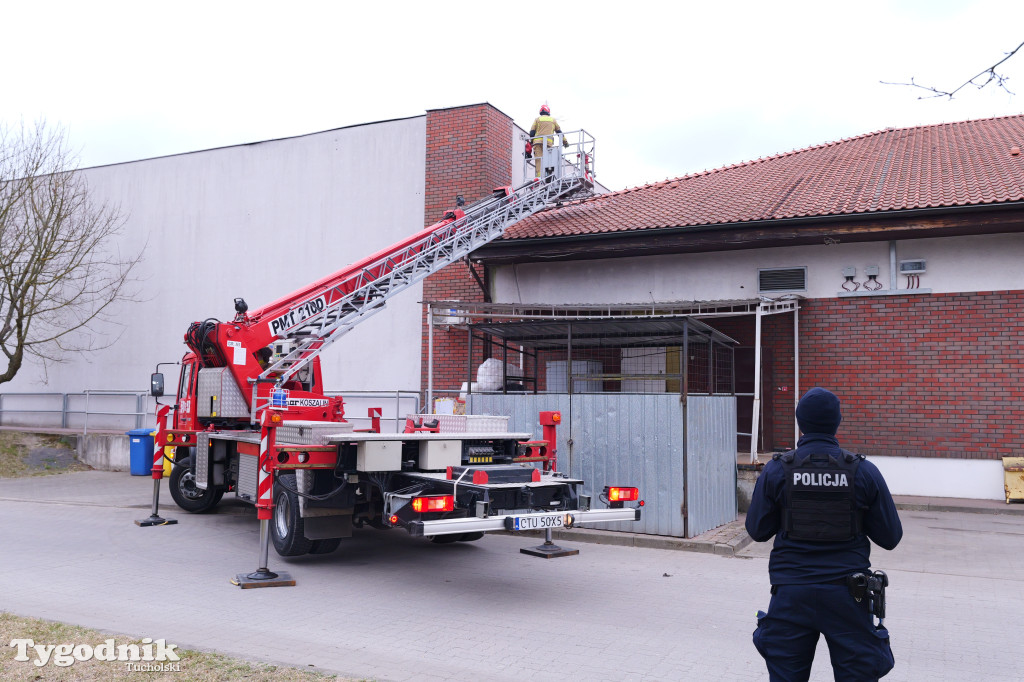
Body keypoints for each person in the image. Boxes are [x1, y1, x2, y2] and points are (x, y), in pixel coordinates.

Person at [746, 387, 903, 681]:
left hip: (791, 594)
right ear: (838, 421)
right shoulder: (863, 471)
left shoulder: (778, 470)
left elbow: (757, 531)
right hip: (849, 596)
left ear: (799, 421)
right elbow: (891, 537)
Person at [529, 104, 569, 178]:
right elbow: (559, 132)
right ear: (548, 112)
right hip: (548, 144)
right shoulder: (553, 120)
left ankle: (539, 177)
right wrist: (565, 142)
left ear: (541, 111)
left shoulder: (537, 119)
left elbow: (532, 133)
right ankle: (548, 175)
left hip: (537, 143)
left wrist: (531, 142)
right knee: (549, 161)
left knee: (539, 160)